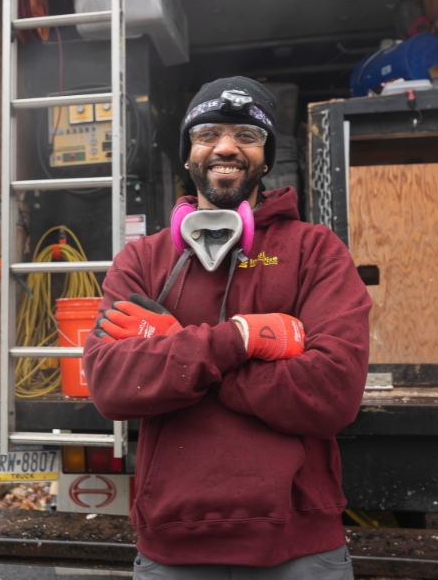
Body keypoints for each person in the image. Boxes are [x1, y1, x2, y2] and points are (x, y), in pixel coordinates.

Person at [82, 77, 371, 579]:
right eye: (208, 133)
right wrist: (239, 339)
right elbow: (110, 386)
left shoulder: (315, 250)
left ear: (265, 157)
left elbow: (334, 392)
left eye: (247, 135)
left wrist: (175, 351)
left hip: (299, 548)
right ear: (188, 152)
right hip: (172, 546)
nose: (225, 147)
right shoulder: (142, 259)